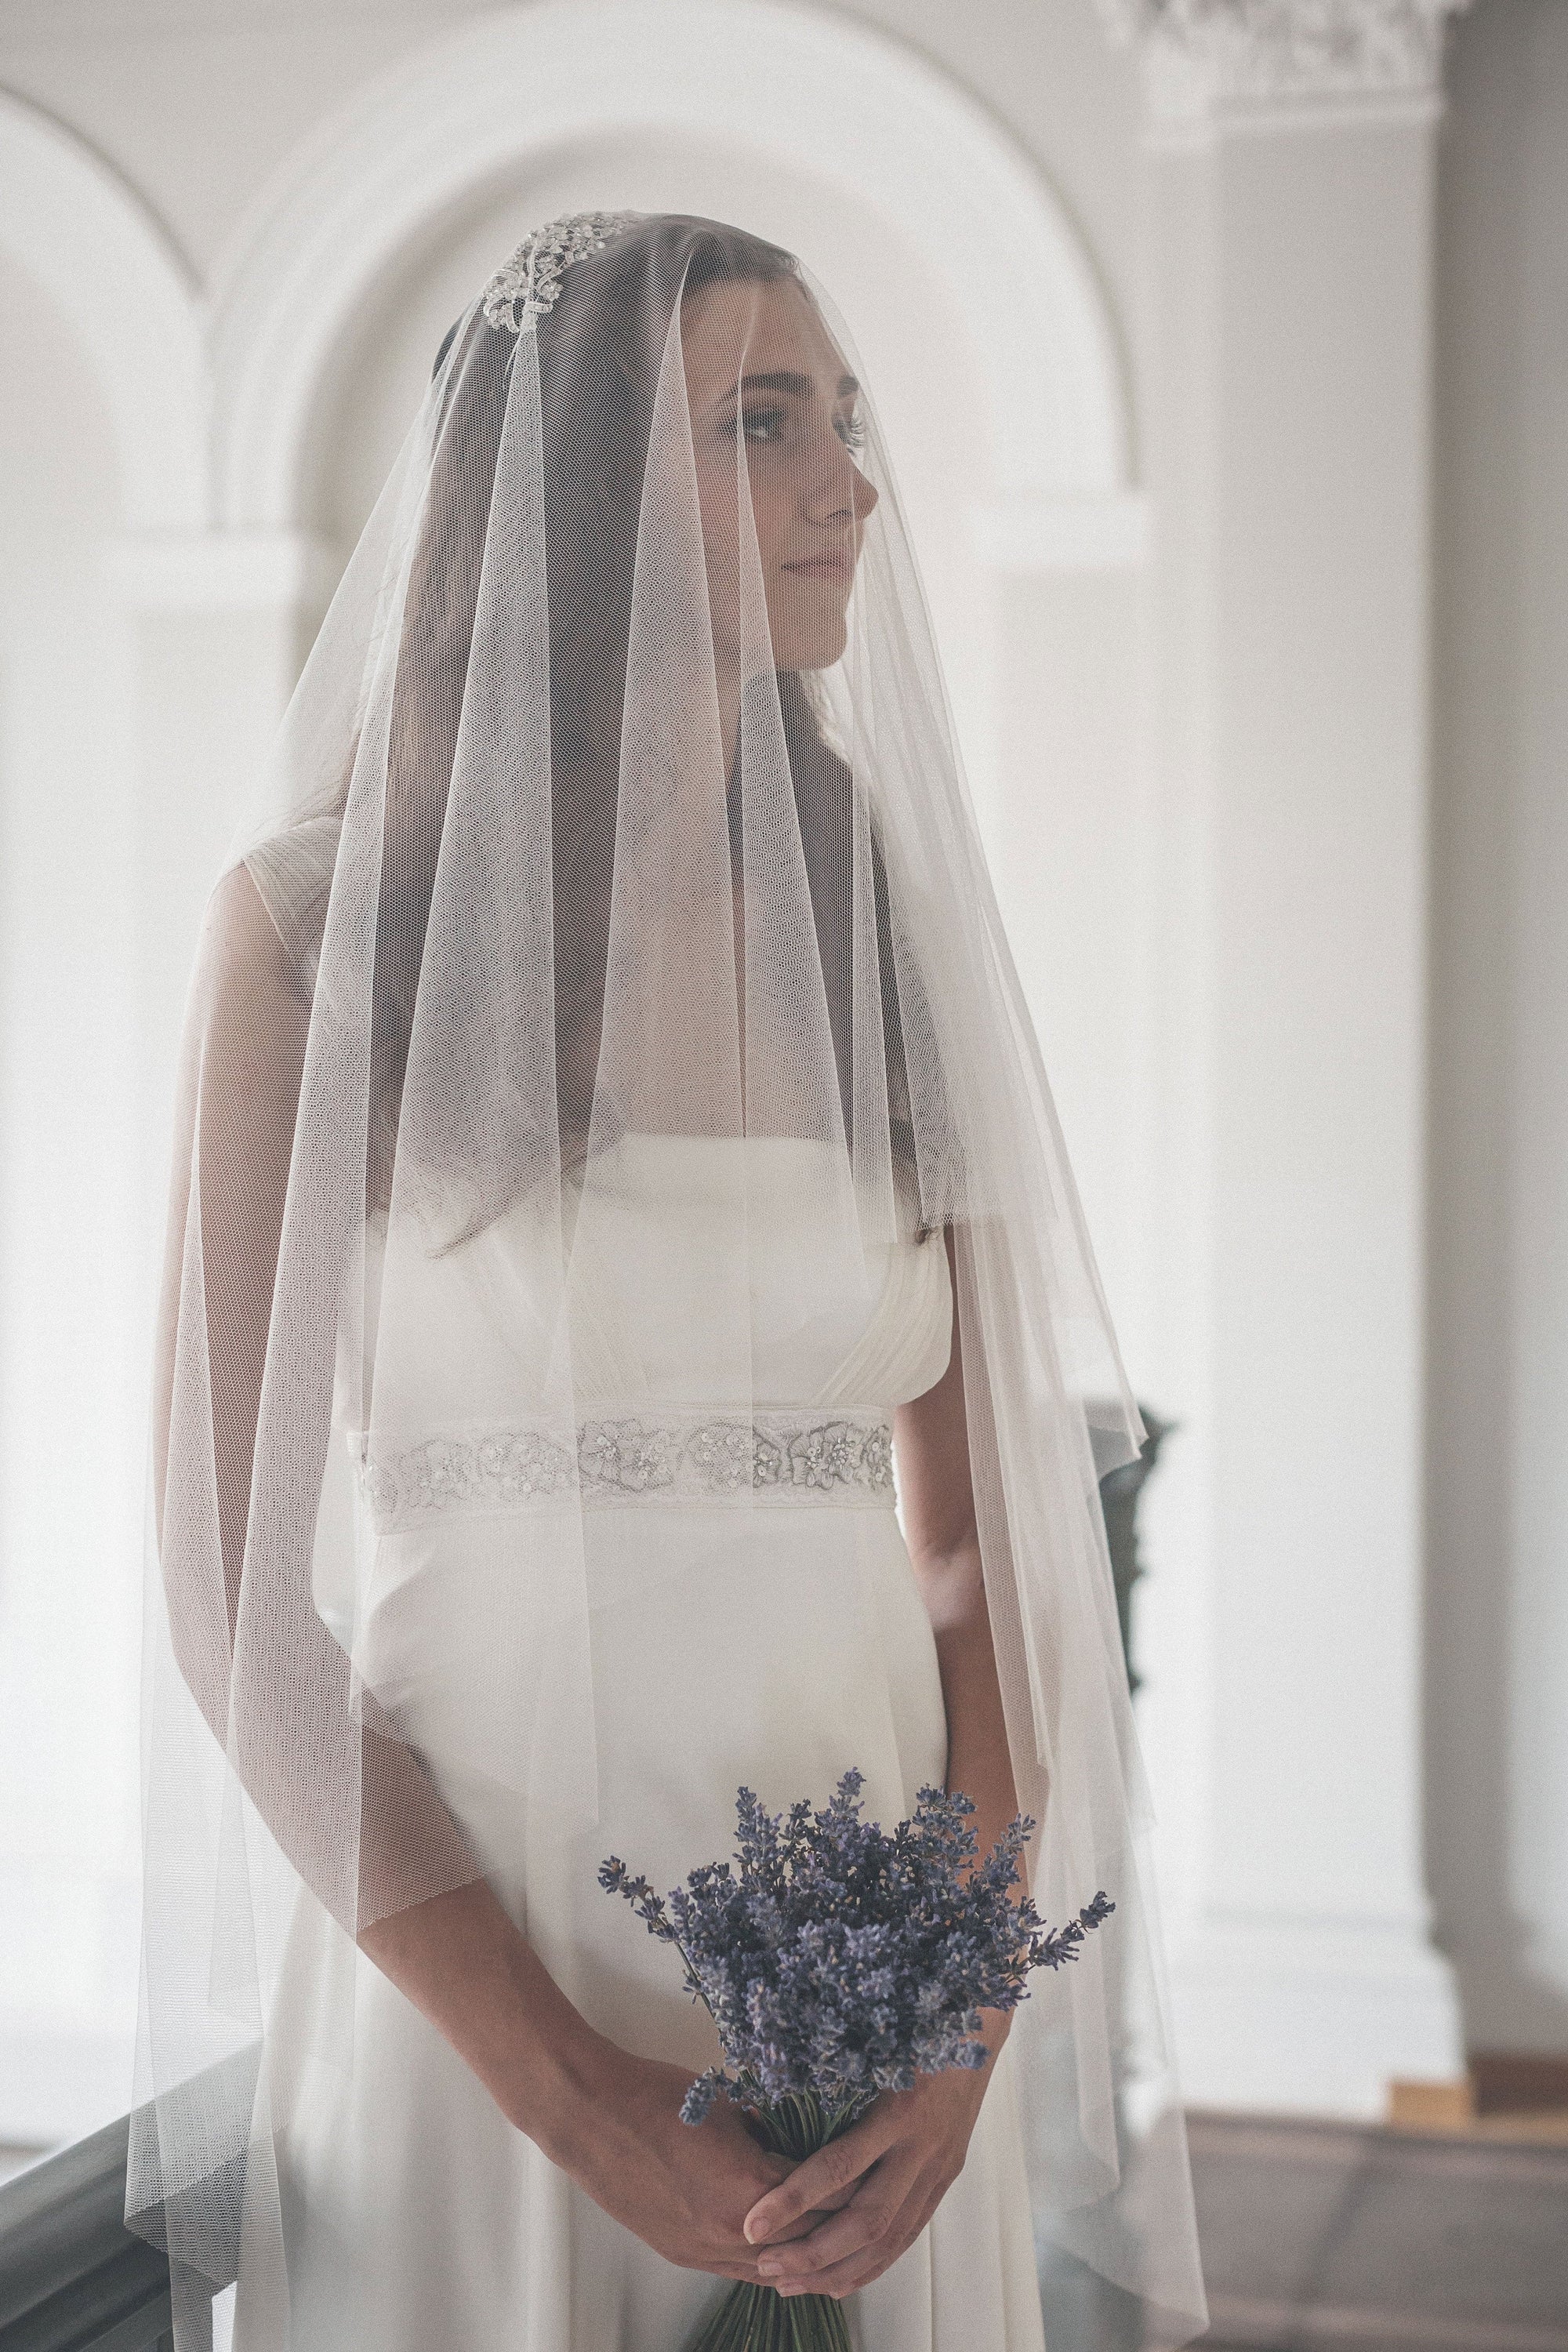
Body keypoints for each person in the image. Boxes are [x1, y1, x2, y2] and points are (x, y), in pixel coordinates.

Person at [130, 212, 1206, 2351]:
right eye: (765, 423)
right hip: (487, 1992)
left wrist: (961, 2030)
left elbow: (987, 1550)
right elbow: (231, 1599)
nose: (854, 488)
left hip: (878, 1996)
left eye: (849, 418)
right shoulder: (319, 937)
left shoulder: (878, 925)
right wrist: (580, 2096)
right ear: (582, 488)